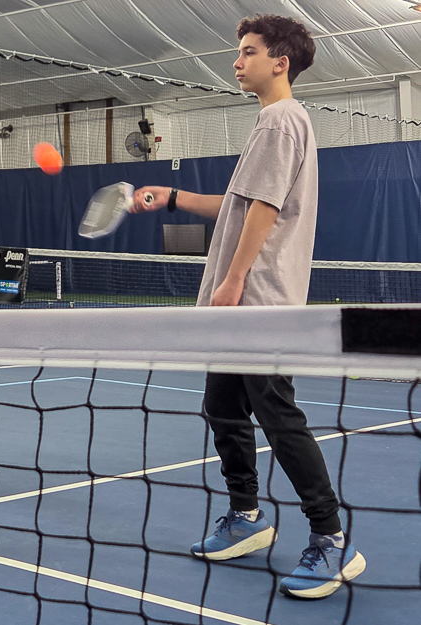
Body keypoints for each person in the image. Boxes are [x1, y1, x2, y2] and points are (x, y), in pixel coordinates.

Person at [130, 14, 364, 599]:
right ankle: (246, 515)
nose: (236, 62)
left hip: (256, 301)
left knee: (278, 416)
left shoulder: (283, 119)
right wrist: (175, 197)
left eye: (248, 52)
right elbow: (240, 203)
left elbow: (263, 209)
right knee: (222, 406)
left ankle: (332, 541)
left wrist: (233, 281)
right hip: (239, 301)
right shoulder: (271, 123)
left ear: (279, 61)